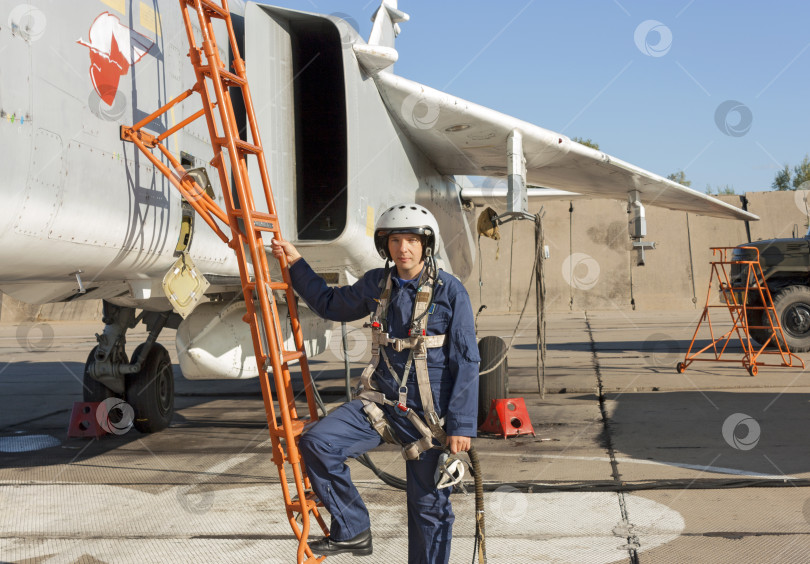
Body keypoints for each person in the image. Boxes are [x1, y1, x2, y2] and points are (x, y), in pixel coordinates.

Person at [270, 203, 480, 563]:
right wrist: (295, 264)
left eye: (412, 239)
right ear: (386, 246)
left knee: (428, 508)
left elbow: (466, 358)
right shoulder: (377, 284)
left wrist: (461, 424)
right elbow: (330, 303)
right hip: (380, 405)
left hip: (429, 420)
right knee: (318, 442)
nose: (403, 248)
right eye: (396, 240)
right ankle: (353, 529)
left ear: (425, 245)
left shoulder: (450, 291)